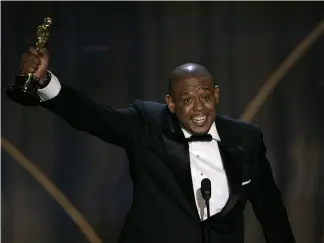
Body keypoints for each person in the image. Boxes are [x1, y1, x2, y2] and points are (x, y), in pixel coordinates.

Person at [18, 47, 296, 243]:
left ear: (217, 95)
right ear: (171, 103)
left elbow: (271, 213)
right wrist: (43, 81)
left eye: (206, 97)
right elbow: (94, 117)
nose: (199, 108)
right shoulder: (147, 125)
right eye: (187, 100)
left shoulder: (247, 138)